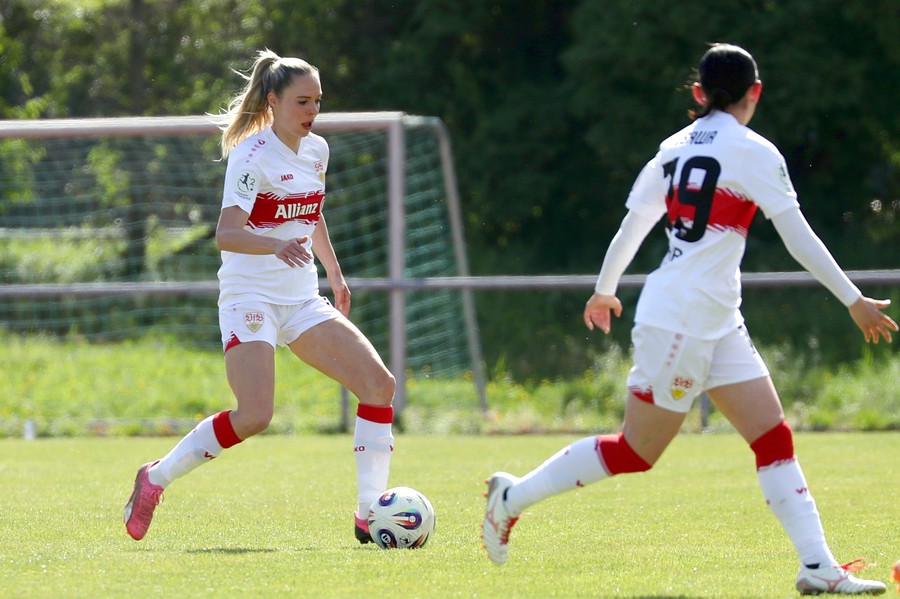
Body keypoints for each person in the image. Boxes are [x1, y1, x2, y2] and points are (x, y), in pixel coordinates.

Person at [482, 43, 895, 595]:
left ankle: (817, 566)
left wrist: (604, 290)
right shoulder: (753, 150)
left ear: (698, 93)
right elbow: (797, 236)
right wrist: (852, 299)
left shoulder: (672, 149)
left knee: (772, 436)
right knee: (636, 450)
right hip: (682, 320)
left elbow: (633, 225)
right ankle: (511, 497)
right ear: (755, 92)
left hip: (714, 318)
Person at [124, 49, 396, 545]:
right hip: (250, 297)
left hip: (301, 298)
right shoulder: (251, 156)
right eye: (301, 102)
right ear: (273, 101)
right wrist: (274, 244)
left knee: (379, 386)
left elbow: (310, 212)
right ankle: (155, 478)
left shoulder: (317, 150)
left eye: (317, 101)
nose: (312, 111)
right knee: (254, 415)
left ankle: (369, 515)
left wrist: (334, 274)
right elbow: (226, 233)